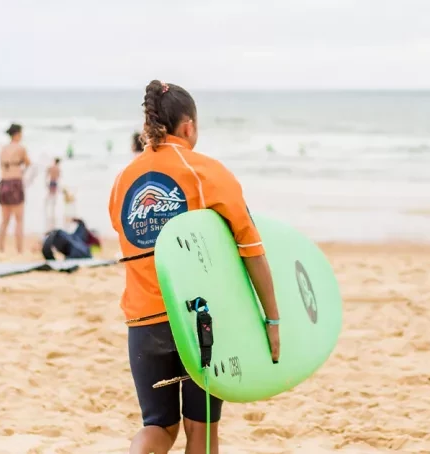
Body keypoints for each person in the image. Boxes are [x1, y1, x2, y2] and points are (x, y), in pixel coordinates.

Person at [109, 80, 282, 454]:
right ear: (188, 126)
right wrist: (272, 320)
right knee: (202, 431)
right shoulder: (207, 172)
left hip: (143, 322)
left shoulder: (123, 180)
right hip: (197, 321)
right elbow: (250, 249)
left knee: (158, 426)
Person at [0, 123, 31, 254]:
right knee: (19, 220)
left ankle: (1, 248)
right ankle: (19, 250)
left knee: (5, 220)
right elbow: (29, 164)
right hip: (15, 183)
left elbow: (2, 166)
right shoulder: (20, 148)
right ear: (17, 134)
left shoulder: (3, 149)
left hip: (3, 183)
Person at [44, 157, 61, 231]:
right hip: (54, 182)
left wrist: (46, 182)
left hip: (51, 182)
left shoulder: (51, 167)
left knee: (50, 194)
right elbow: (59, 177)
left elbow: (46, 173)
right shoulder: (57, 168)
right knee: (53, 195)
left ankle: (47, 204)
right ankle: (51, 206)